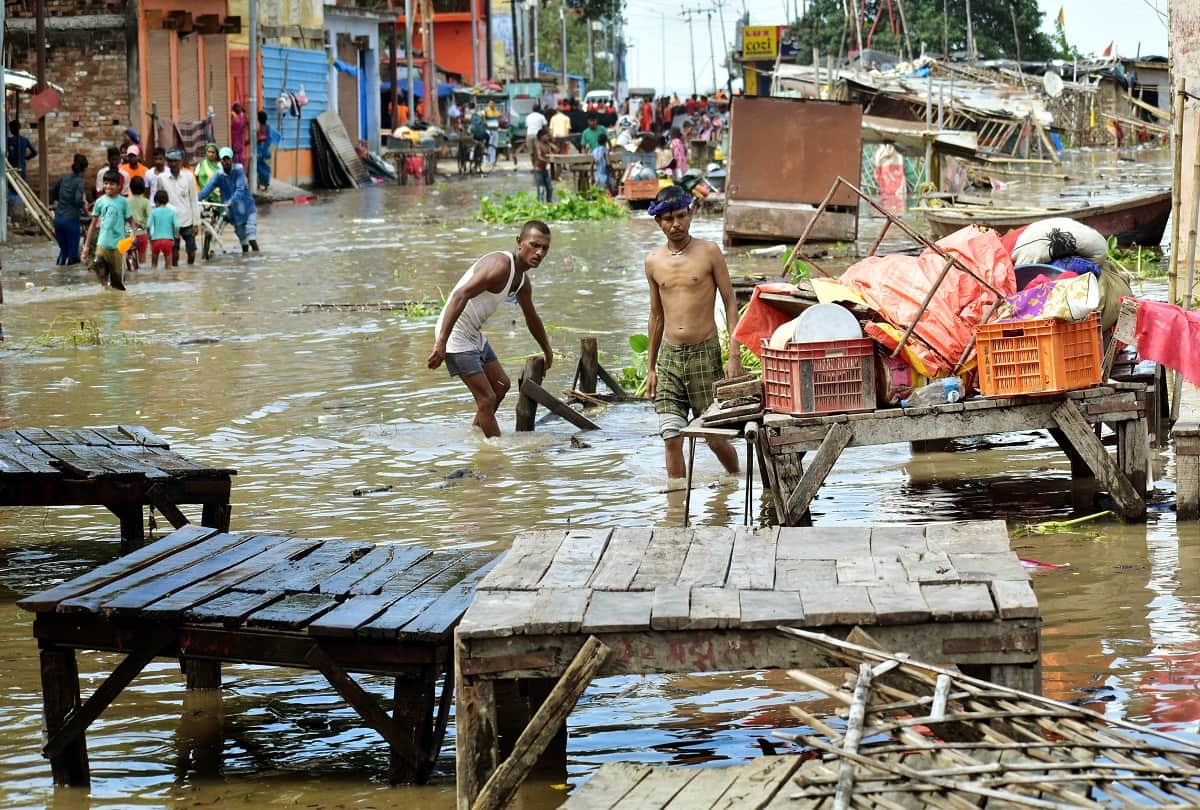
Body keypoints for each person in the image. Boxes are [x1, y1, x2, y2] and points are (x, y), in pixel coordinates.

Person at [644, 185, 741, 480]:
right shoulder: (653, 262)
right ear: (658, 222)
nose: (676, 224)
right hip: (670, 358)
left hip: (705, 354)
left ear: (691, 213)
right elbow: (656, 316)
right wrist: (650, 368)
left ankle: (734, 480)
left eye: (681, 216)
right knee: (671, 437)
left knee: (713, 437)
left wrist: (733, 356)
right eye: (669, 219)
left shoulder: (709, 252)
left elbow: (730, 302)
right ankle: (677, 515)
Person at [427, 221, 554, 438]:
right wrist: (441, 342)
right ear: (519, 242)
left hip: (473, 333)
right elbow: (460, 295)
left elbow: (532, 318)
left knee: (501, 385)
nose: (539, 252)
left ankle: (476, 435)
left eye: (544, 248)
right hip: (455, 334)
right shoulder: (500, 265)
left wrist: (547, 350)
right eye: (534, 245)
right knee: (486, 399)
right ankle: (497, 452)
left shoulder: (522, 282)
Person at [199, 146, 259, 253]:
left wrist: (232, 200)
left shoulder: (238, 170)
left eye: (227, 159)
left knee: (251, 237)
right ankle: (246, 261)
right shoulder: (218, 175)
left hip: (247, 208)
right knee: (243, 241)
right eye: (223, 159)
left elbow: (240, 189)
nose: (225, 162)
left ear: (231, 159)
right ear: (220, 160)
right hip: (234, 212)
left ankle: (257, 257)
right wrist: (195, 199)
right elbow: (207, 189)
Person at [81, 169, 131, 290]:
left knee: (118, 282)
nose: (108, 186)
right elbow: (92, 225)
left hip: (117, 246)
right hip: (102, 244)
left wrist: (132, 236)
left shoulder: (123, 202)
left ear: (119, 186)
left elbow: (131, 221)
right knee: (98, 267)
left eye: (112, 184)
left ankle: (117, 302)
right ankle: (105, 292)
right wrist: (86, 247)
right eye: (106, 183)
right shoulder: (99, 202)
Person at [158, 148, 201, 266]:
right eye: (170, 161)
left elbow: (193, 200)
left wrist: (196, 223)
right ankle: (175, 278)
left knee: (192, 253)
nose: (173, 164)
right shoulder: (162, 178)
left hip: (187, 221)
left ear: (181, 161)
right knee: (174, 253)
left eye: (176, 161)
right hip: (170, 222)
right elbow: (159, 200)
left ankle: (190, 274)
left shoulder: (189, 177)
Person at [50, 153, 87, 266]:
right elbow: (78, 200)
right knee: (72, 256)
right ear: (84, 169)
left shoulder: (64, 177)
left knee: (63, 251)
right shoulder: (80, 181)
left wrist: (61, 201)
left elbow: (53, 192)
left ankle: (59, 279)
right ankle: (72, 281)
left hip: (58, 219)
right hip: (71, 221)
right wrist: (84, 209)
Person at [147, 189, 179, 270]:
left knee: (154, 266)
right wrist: (175, 236)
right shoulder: (172, 212)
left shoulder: (153, 212)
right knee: (169, 267)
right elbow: (177, 226)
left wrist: (149, 236)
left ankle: (154, 281)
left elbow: (148, 226)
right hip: (168, 240)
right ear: (167, 200)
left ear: (156, 201)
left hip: (156, 240)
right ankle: (168, 282)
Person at [127, 175, 150, 264]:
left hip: (129, 234)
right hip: (142, 234)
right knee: (142, 261)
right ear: (143, 188)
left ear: (131, 188)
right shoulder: (146, 202)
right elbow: (150, 217)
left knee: (131, 261)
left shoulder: (126, 202)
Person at [531, 128, 553, 203]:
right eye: (546, 136)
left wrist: (552, 145)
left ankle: (549, 203)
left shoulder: (547, 145)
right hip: (538, 170)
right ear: (541, 136)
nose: (548, 138)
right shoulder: (538, 145)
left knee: (550, 188)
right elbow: (539, 157)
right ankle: (540, 204)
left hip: (545, 170)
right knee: (541, 189)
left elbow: (554, 152)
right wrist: (548, 161)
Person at [256, 110, 274, 191]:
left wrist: (262, 142)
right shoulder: (258, 127)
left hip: (265, 151)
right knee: (258, 168)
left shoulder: (267, 127)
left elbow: (269, 139)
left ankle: (265, 186)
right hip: (261, 150)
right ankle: (259, 185)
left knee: (266, 169)